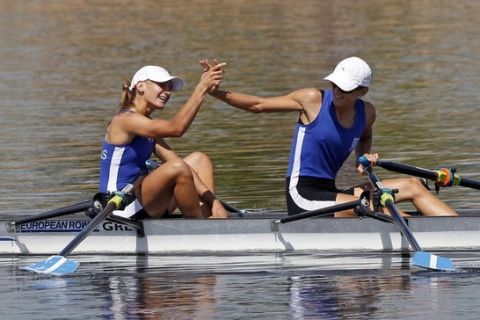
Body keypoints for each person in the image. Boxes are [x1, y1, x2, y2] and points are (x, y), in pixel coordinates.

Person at [204, 57, 458, 217]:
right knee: (364, 204)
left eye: (345, 88)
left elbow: (365, 138)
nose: (337, 91)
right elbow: (258, 105)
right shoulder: (313, 99)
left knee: (412, 185)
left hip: (330, 192)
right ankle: (416, 227)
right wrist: (215, 92)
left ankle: (462, 235)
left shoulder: (367, 112)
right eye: (336, 84)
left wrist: (363, 156)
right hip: (302, 195)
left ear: (362, 91)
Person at [99, 62, 229, 219]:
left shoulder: (146, 125)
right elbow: (176, 129)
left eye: (169, 87)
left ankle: (210, 215)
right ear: (140, 86)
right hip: (121, 208)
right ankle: (198, 226)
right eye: (162, 85)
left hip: (143, 202)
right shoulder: (124, 120)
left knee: (199, 160)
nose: (167, 92)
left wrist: (214, 202)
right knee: (178, 167)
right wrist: (201, 88)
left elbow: (180, 163)